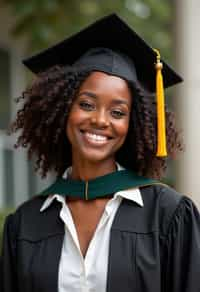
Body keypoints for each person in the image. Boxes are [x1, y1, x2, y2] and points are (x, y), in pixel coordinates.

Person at [1, 13, 200, 292]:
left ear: (132, 124)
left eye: (117, 112)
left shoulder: (168, 215)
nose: (100, 120)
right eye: (86, 104)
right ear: (63, 109)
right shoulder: (25, 224)